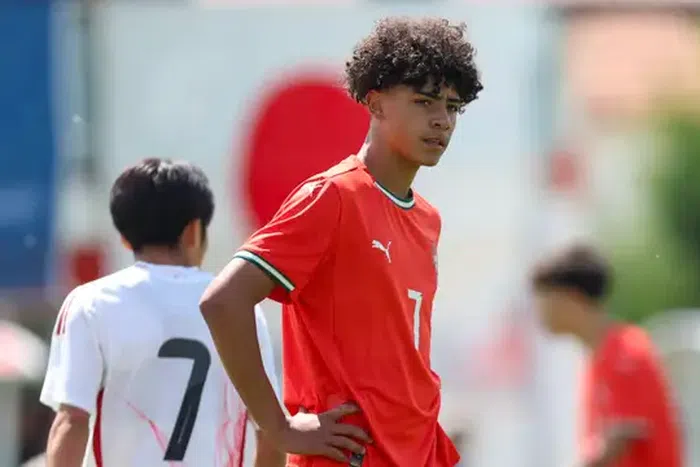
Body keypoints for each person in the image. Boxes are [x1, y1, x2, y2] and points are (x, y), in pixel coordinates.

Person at [199, 16, 483, 467]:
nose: (441, 120)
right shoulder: (333, 196)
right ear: (375, 102)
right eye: (424, 101)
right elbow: (223, 301)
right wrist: (279, 427)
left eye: (452, 106)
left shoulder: (427, 218)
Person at [40, 159, 284, 467]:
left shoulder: (91, 303)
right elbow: (270, 433)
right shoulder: (237, 308)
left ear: (125, 237)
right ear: (194, 231)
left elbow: (71, 421)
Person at [531, 244, 683, 467]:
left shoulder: (626, 353)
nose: (539, 310)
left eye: (544, 298)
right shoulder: (597, 357)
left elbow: (617, 442)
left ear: (571, 297)